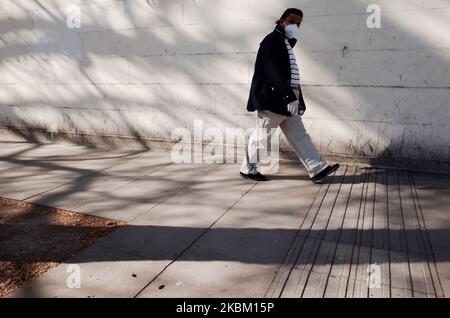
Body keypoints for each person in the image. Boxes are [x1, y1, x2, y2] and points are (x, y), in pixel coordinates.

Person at [240, 8, 339, 182]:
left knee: (299, 134)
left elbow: (291, 75)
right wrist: (289, 97)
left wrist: (296, 98)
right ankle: (248, 168)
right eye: (292, 21)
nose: (295, 26)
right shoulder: (270, 42)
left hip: (288, 99)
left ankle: (317, 168)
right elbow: (273, 73)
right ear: (282, 20)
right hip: (272, 99)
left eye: (298, 24)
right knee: (263, 136)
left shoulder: (285, 43)